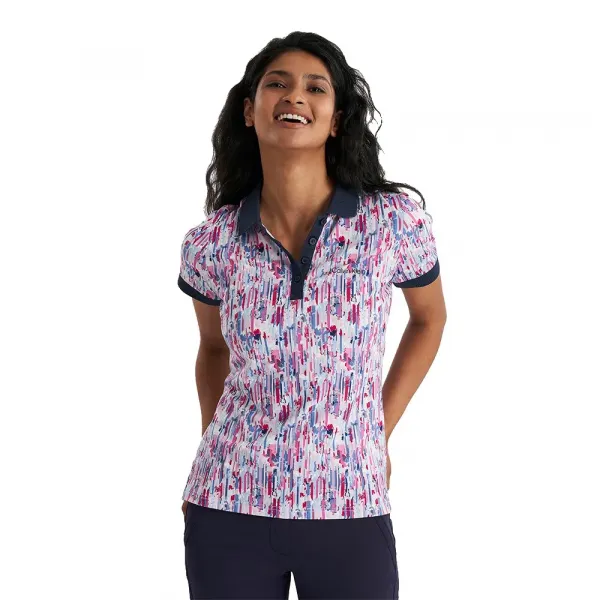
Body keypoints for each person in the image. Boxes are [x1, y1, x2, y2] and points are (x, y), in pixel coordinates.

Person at [177, 31, 446, 600]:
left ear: (337, 120)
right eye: (276, 83)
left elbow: (429, 319)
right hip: (227, 503)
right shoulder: (211, 242)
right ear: (249, 111)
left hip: (349, 499)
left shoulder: (393, 223)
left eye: (315, 87)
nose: (294, 95)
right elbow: (213, 348)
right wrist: (211, 451)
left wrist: (377, 429)